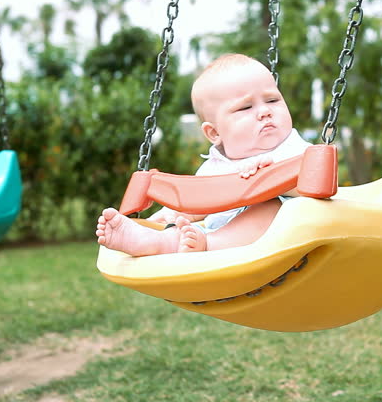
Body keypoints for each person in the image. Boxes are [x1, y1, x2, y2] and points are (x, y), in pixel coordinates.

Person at [96, 53, 312, 256]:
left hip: (282, 245)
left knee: (269, 206)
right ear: (215, 132)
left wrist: (272, 176)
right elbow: (198, 206)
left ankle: (200, 245)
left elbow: (315, 186)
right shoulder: (215, 166)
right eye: (245, 107)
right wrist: (170, 214)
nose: (265, 111)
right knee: (178, 218)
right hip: (222, 240)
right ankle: (155, 239)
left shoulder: (293, 149)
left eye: (272, 100)